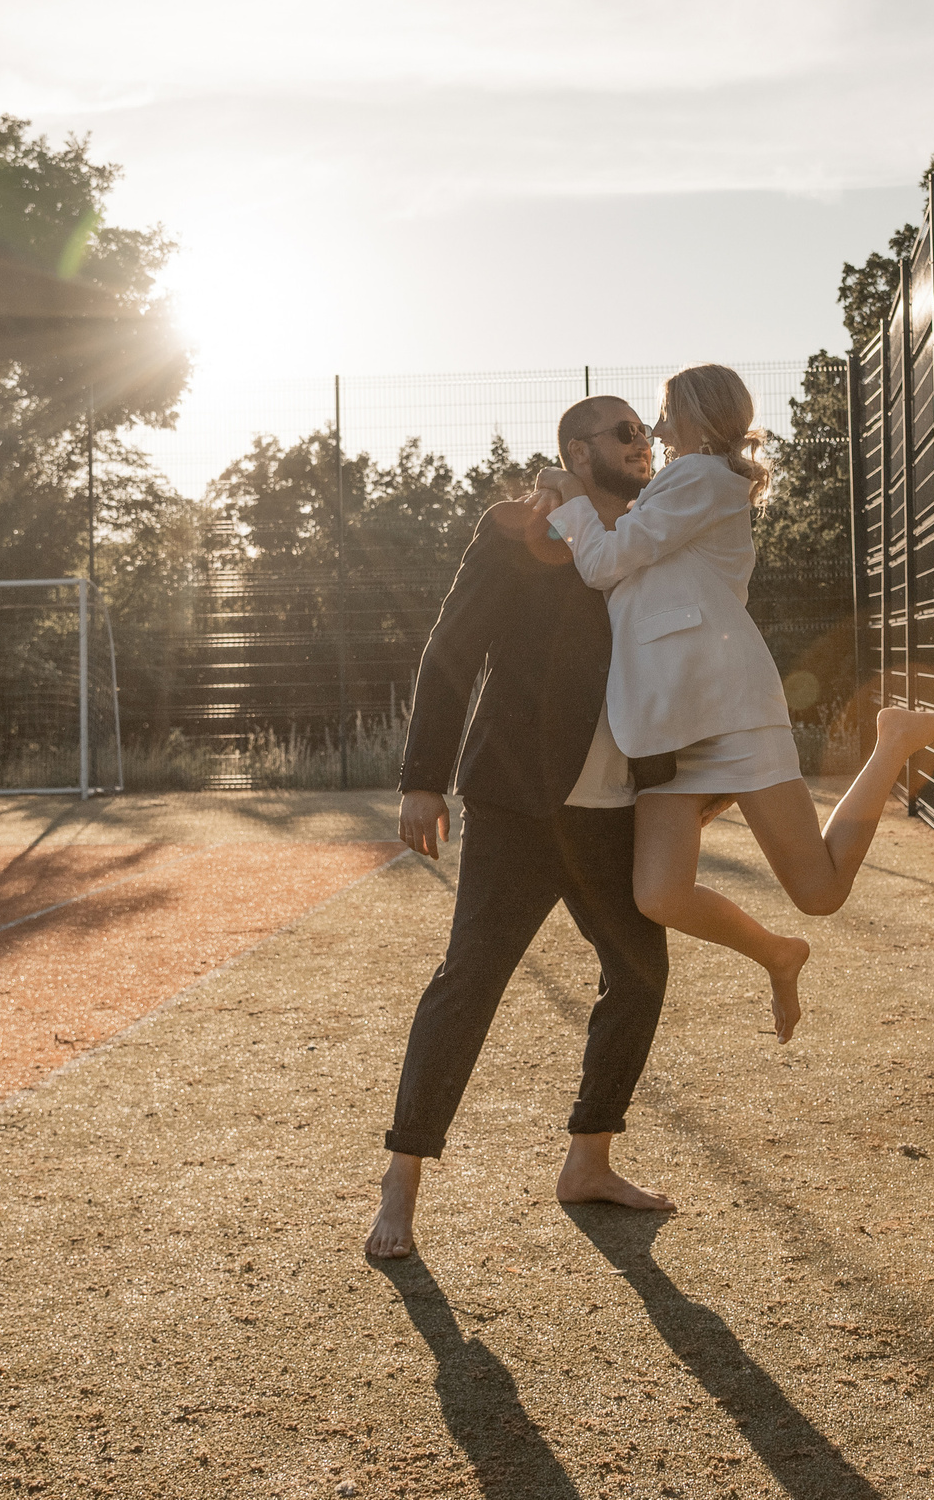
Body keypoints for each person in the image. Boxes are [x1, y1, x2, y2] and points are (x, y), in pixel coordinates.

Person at [535, 363, 934, 1045]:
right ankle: (776, 951)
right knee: (660, 894)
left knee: (819, 892)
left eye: (663, 411)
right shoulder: (681, 485)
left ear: (698, 416)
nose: (653, 426)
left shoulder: (700, 478)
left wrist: (568, 503)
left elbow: (603, 562)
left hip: (726, 706)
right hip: (669, 722)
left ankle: (890, 741)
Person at [365, 395, 680, 1262]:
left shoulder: (652, 532)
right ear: (579, 452)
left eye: (645, 431)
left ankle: (589, 1159)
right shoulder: (518, 529)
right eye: (625, 432)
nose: (643, 443)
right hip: (517, 801)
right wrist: (422, 779)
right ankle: (403, 1176)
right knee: (470, 980)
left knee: (641, 975)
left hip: (614, 810)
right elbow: (450, 651)